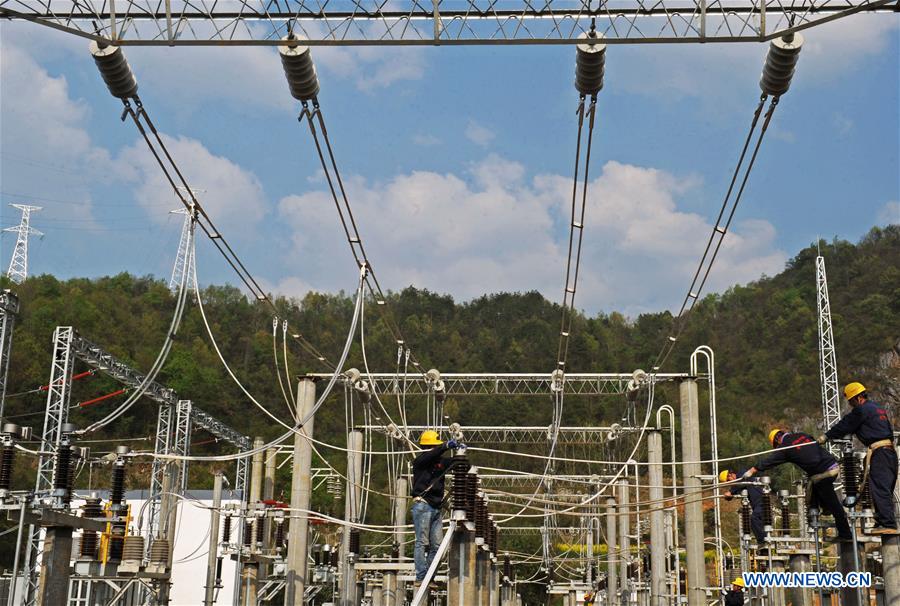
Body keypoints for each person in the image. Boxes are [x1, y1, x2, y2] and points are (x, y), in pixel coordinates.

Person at [744, 428, 852, 542]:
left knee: (834, 505)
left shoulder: (785, 447)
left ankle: (846, 534)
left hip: (823, 474)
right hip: (832, 465)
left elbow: (770, 461)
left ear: (777, 441)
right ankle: (824, 508)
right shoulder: (802, 435)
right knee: (814, 486)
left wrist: (752, 470)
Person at [820, 381, 898, 534]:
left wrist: (827, 436)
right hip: (889, 452)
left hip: (879, 452)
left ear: (856, 398)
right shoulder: (878, 409)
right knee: (884, 488)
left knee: (879, 488)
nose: (850, 405)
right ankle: (883, 521)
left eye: (850, 401)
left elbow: (845, 424)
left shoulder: (861, 410)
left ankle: (888, 523)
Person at [411, 430, 460, 586]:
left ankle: (429, 576)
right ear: (431, 446)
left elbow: (457, 463)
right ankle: (421, 576)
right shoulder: (420, 461)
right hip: (423, 505)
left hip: (436, 508)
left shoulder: (439, 463)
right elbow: (431, 455)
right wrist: (446, 445)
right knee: (422, 542)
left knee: (437, 546)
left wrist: (461, 454)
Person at [719, 469, 766, 544]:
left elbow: (741, 483)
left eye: (729, 480)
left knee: (754, 519)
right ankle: (764, 546)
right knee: (758, 524)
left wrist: (730, 491)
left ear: (730, 475)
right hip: (756, 505)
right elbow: (735, 491)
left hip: (762, 502)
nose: (730, 483)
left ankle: (763, 541)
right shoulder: (738, 485)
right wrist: (728, 496)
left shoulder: (742, 473)